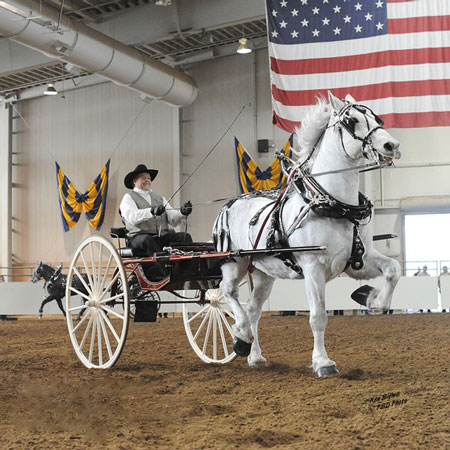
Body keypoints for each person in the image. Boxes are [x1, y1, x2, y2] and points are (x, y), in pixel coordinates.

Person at [120, 164, 193, 279]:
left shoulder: (159, 198)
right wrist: (151, 211)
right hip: (138, 238)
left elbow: (172, 218)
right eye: (143, 177)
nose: (147, 179)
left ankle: (187, 271)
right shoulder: (128, 198)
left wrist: (182, 213)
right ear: (135, 181)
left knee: (184, 237)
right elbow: (132, 217)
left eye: (149, 177)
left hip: (160, 237)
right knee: (147, 239)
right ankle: (164, 273)